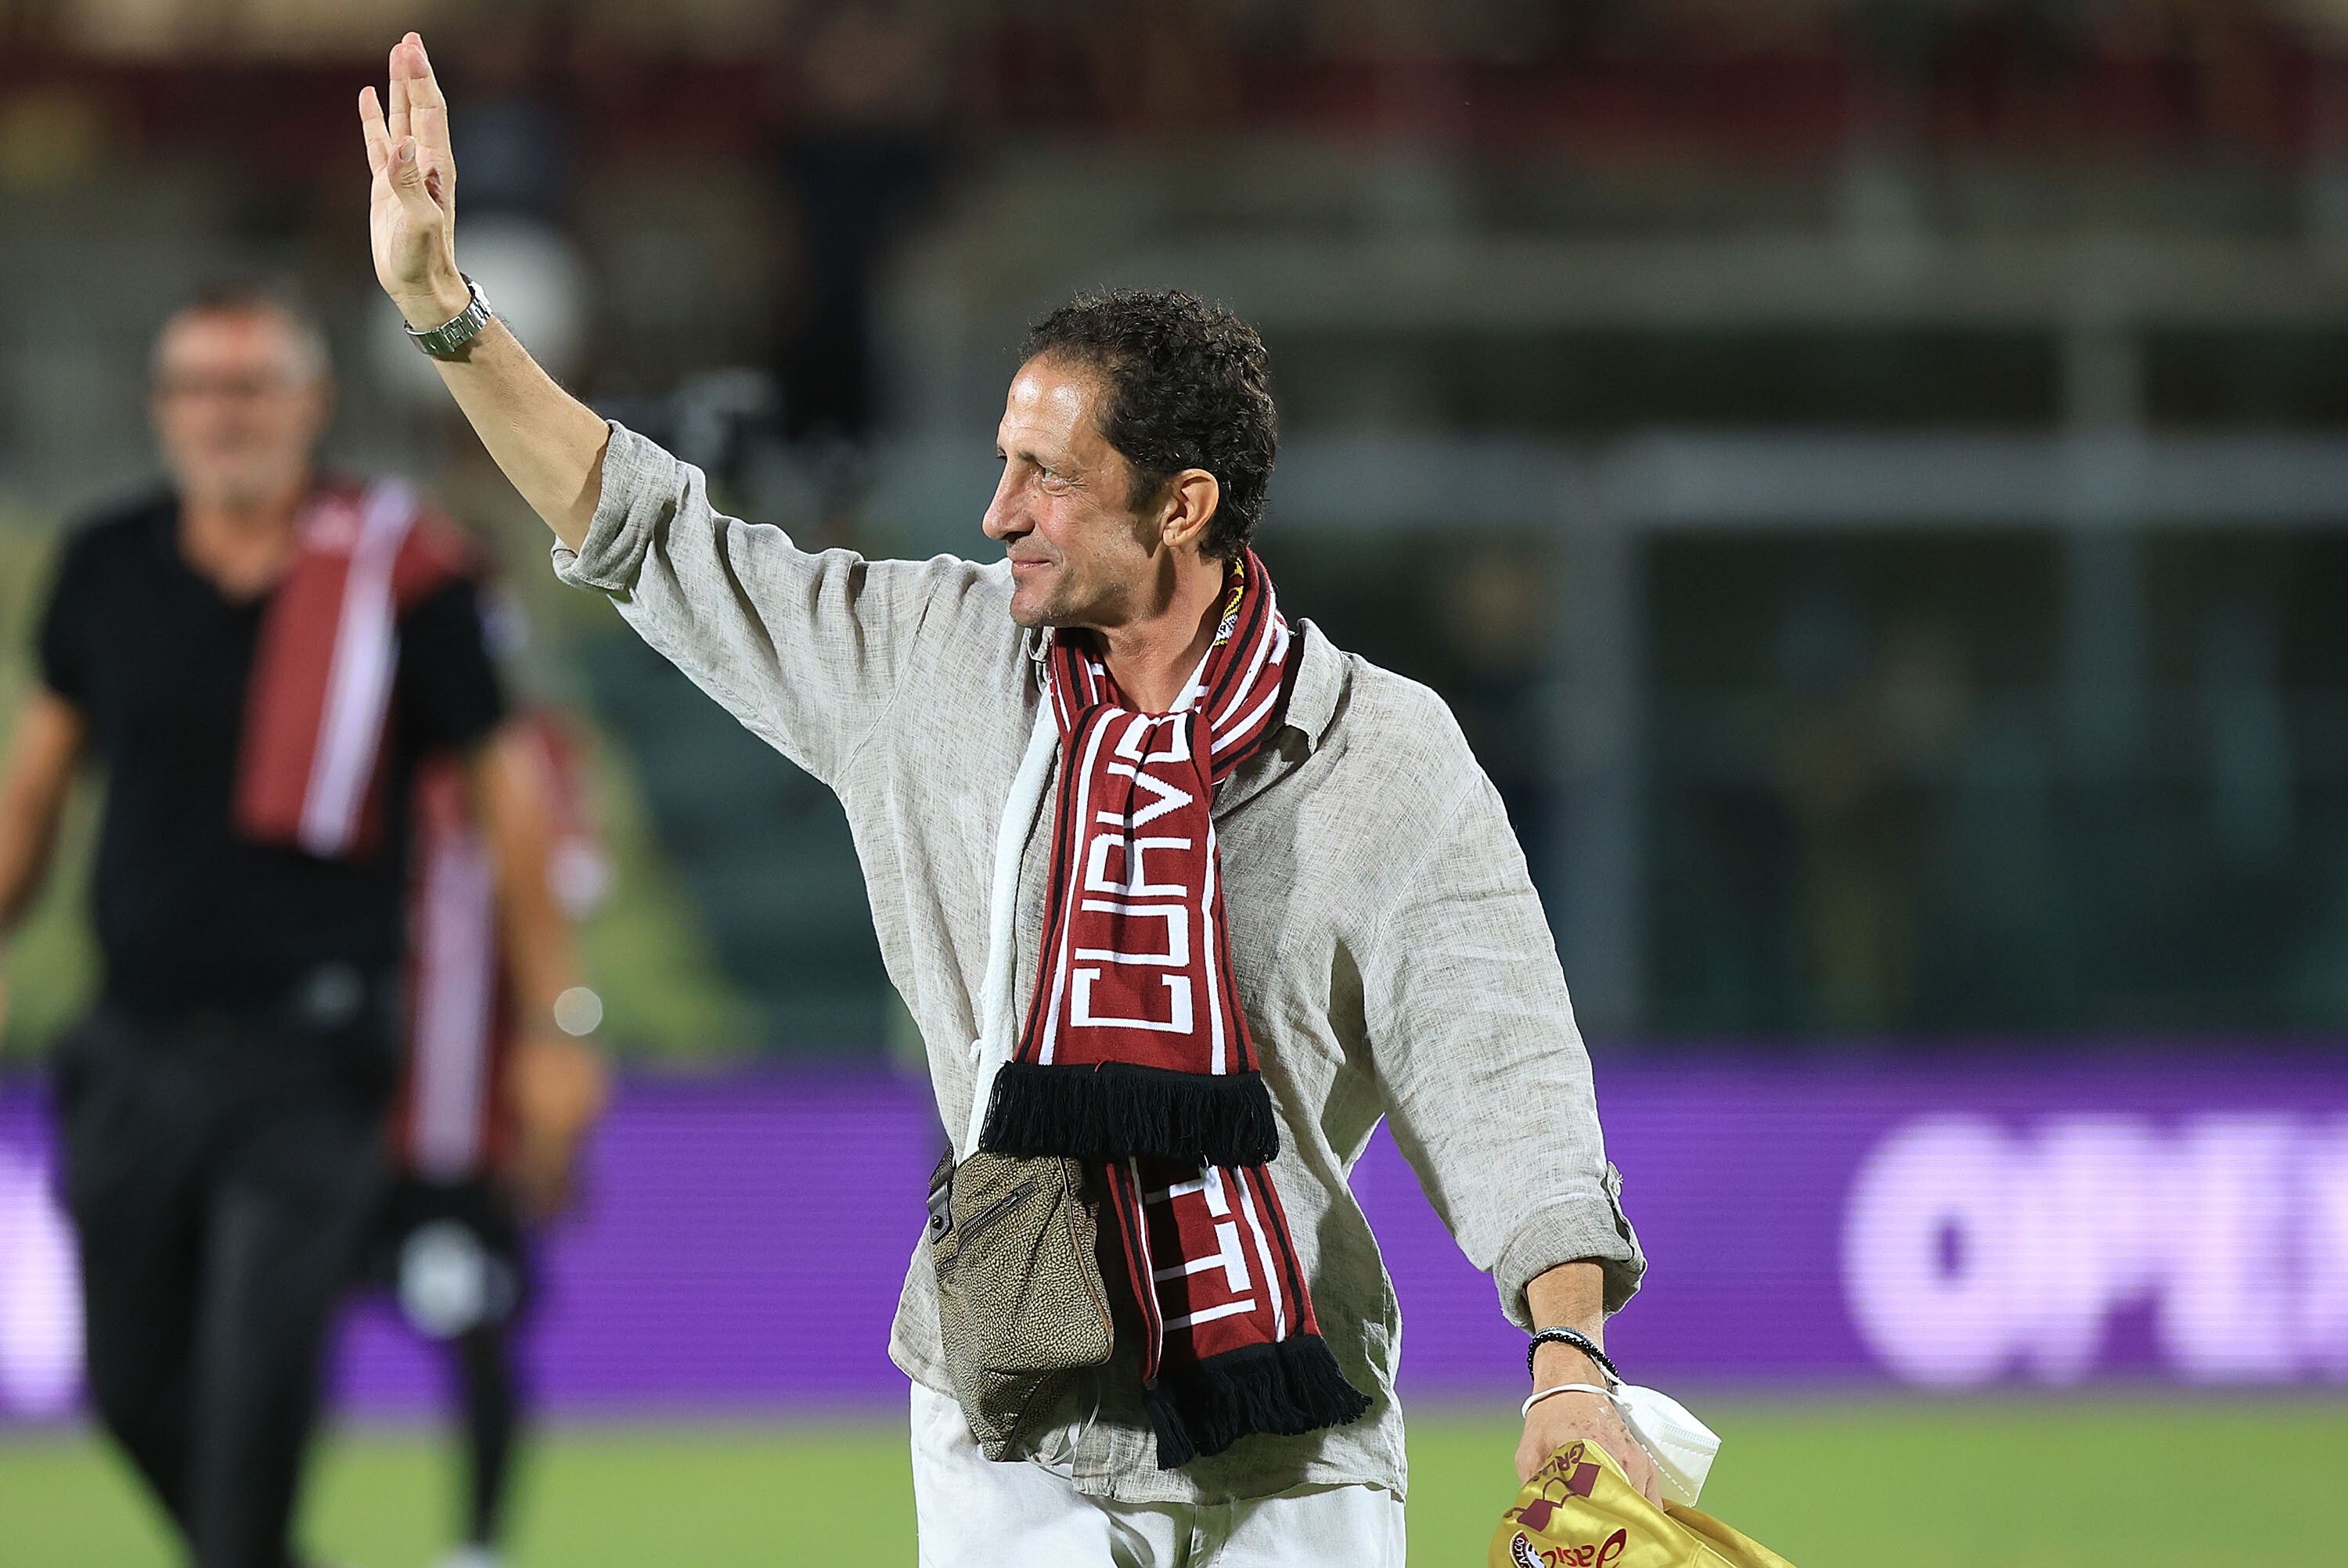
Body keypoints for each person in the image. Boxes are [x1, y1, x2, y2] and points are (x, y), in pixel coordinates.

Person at [359, 33, 1650, 1563]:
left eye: (1050, 476)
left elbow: (1506, 1072)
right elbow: (653, 533)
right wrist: (446, 316)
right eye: (1002, 462)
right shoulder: (928, 661)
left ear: (1182, 506)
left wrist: (1569, 1361)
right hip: (1009, 1433)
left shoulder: (1379, 750)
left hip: (1290, 1442)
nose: (996, 512)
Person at [0, 280, 589, 1568]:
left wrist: (556, 1028)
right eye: (198, 388)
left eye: (253, 386)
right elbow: (35, 786)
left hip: (311, 1062)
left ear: (313, 402)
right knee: (129, 1387)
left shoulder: (401, 572)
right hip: (132, 1047)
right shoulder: (105, 564)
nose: (225, 414)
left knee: (257, 1399)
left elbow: (511, 805)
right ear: (161, 408)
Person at [376, 710, 609, 1568]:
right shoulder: (373, 740)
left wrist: (558, 1104)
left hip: (480, 1138)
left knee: (485, 1339)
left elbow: (565, 928)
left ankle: (477, 1548)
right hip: (355, 1126)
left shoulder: (536, 753)